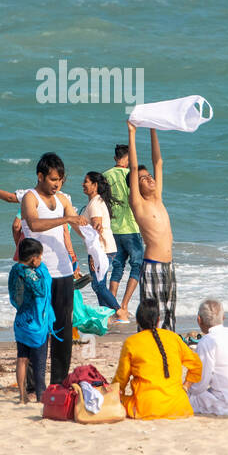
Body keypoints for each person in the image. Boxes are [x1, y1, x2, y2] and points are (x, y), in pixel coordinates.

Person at [20, 154, 87, 385]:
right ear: (41, 176)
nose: (57, 184)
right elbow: (33, 223)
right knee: (36, 326)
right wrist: (65, 219)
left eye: (60, 179)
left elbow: (76, 224)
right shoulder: (31, 197)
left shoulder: (63, 199)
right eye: (53, 179)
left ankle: (58, 382)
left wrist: (92, 232)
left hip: (64, 271)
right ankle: (32, 384)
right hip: (37, 272)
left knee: (63, 329)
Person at [112, 299, 202, 419]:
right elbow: (197, 365)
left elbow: (121, 379)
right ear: (158, 320)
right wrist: (185, 387)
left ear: (138, 321)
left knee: (120, 400)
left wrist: (114, 393)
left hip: (146, 408)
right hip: (179, 406)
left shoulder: (131, 343)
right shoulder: (173, 337)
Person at [127, 122, 176, 330]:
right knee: (150, 316)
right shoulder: (139, 204)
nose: (149, 179)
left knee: (169, 313)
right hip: (152, 266)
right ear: (136, 186)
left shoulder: (157, 198)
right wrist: (132, 133)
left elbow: (159, 162)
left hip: (169, 266)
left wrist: (153, 128)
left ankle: (168, 353)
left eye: (149, 177)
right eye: (143, 179)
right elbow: (133, 167)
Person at [8, 238, 53, 404]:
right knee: (39, 362)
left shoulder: (14, 270)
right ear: (33, 258)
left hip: (21, 320)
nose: (41, 260)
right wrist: (41, 270)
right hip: (36, 323)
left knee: (22, 359)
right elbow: (42, 291)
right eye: (40, 257)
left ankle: (22, 397)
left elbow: (14, 296)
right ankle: (41, 396)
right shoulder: (31, 274)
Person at [104, 144, 144, 318]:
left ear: (115, 158)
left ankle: (112, 306)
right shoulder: (132, 176)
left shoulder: (105, 176)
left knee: (117, 266)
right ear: (129, 159)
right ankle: (125, 305)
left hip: (113, 229)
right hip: (131, 227)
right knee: (137, 265)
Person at [80, 171, 120, 311]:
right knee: (98, 285)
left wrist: (95, 254)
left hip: (102, 249)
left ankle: (119, 311)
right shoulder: (96, 201)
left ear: (95, 185)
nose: (82, 184)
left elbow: (97, 228)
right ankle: (106, 314)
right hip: (106, 248)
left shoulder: (95, 203)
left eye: (86, 181)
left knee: (98, 285)